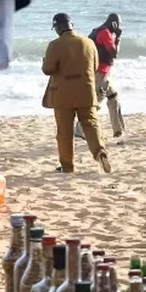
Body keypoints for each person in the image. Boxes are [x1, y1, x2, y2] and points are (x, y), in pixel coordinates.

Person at [42, 13, 111, 174]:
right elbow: (94, 67)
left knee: (64, 132)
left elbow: (48, 69)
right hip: (86, 92)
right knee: (91, 125)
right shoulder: (88, 42)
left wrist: (44, 62)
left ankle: (68, 166)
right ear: (72, 24)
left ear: (58, 27)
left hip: (62, 95)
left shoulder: (55, 45)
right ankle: (100, 153)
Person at [76, 13, 126, 142]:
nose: (120, 27)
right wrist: (119, 36)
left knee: (114, 98)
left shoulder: (96, 31)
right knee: (95, 102)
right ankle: (79, 130)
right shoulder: (105, 33)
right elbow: (114, 53)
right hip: (100, 74)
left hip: (99, 73)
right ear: (114, 23)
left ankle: (118, 130)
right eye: (119, 25)